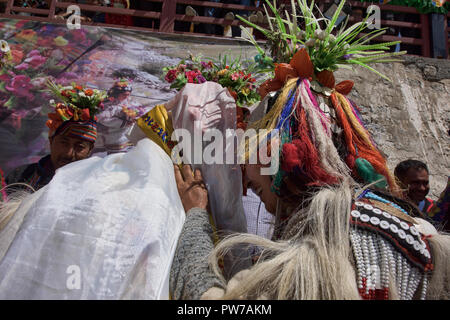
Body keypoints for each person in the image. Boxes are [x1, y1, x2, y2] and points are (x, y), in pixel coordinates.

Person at [169, 1, 450, 300]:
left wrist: (196, 218)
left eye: (257, 187)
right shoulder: (420, 235)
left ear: (280, 159)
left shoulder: (307, 263)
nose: (258, 198)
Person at [5, 83, 103, 193]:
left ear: (90, 150)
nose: (69, 153)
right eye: (64, 143)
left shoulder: (94, 188)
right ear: (51, 140)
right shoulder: (21, 177)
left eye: (79, 147)